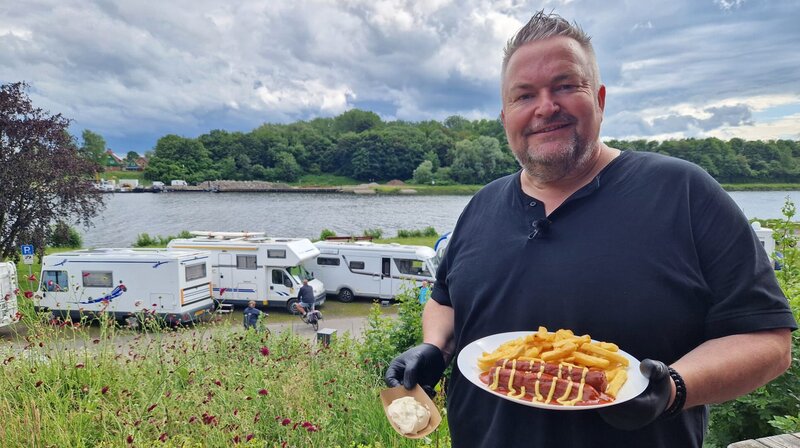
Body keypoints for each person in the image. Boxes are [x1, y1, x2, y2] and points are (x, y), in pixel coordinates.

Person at [385, 10, 797, 448]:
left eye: (565, 86)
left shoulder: (684, 192)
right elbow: (445, 300)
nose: (546, 107)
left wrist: (674, 389)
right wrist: (435, 346)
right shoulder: (481, 205)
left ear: (599, 98)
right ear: (505, 116)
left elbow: (767, 341)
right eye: (524, 95)